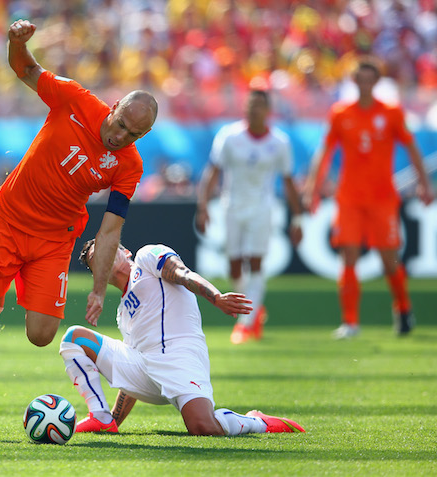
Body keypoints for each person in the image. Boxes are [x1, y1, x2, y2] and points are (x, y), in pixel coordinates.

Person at [0, 19, 158, 440]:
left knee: (42, 335)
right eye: (119, 124)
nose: (119, 136)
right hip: (9, 221)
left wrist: (98, 289)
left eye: (133, 134)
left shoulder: (129, 166)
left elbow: (110, 230)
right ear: (114, 106)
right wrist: (16, 42)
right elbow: (26, 69)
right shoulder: (75, 99)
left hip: (54, 240)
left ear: (144, 134)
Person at [59, 239, 306, 436]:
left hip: (180, 355)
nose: (102, 255)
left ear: (127, 252)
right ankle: (101, 418)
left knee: (203, 427)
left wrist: (215, 297)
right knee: (74, 338)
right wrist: (116, 419)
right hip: (146, 367)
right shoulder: (122, 313)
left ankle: (256, 421)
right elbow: (130, 369)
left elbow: (182, 273)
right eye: (95, 258)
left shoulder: (147, 256)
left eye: (107, 247)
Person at [303, 58, 434, 339]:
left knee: (390, 260)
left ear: (376, 82)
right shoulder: (340, 113)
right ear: (354, 81)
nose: (364, 84)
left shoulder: (391, 113)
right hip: (349, 197)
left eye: (369, 78)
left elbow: (412, 150)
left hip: (382, 198)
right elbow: (324, 153)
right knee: (348, 255)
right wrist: (312, 188)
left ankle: (402, 308)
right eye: (359, 79)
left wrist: (425, 184)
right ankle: (350, 322)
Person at [195, 89, 303, 344]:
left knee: (255, 262)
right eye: (249, 105)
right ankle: (254, 308)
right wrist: (203, 206)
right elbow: (213, 171)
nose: (252, 110)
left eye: (258, 105)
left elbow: (288, 181)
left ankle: (246, 323)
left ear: (267, 110)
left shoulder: (280, 142)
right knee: (233, 267)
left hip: (262, 208)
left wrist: (297, 218)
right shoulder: (229, 136)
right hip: (232, 206)